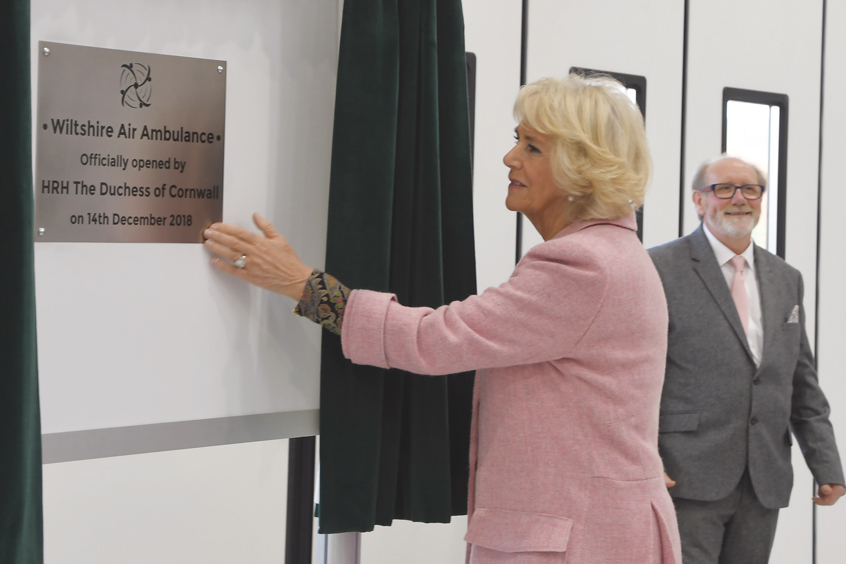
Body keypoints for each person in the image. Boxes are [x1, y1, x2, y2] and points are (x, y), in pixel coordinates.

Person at [203, 74, 682, 563]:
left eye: (533, 147)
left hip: (575, 543)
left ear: (583, 167)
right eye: (517, 140)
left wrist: (302, 285)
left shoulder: (583, 265)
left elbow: (434, 339)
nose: (510, 157)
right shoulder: (615, 254)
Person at [648, 155, 845, 564]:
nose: (739, 199)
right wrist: (646, 459)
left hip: (763, 479)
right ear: (699, 200)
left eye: (750, 189)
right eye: (724, 188)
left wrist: (826, 465)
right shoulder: (658, 268)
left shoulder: (786, 277)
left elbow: (800, 380)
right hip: (684, 474)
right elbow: (635, 376)